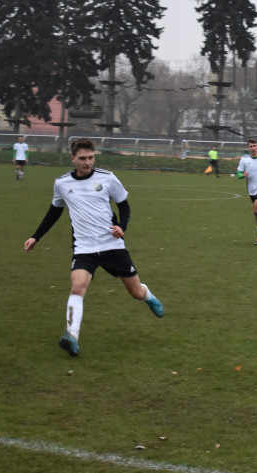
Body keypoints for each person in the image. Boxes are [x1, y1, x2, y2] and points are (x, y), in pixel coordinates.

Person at [23, 137, 165, 358]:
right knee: (78, 286)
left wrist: (121, 227)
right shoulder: (62, 183)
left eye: (90, 157)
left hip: (112, 245)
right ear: (73, 159)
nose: (87, 162)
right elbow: (54, 212)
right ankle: (72, 336)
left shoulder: (107, 178)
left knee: (135, 292)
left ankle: (149, 297)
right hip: (84, 248)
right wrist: (36, 237)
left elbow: (124, 205)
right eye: (82, 158)